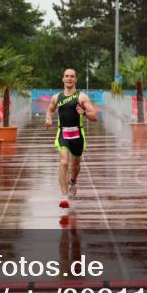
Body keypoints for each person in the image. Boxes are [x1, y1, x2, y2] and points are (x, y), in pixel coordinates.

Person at [45, 68, 97, 211]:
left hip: (78, 135)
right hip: (62, 133)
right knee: (63, 162)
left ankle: (73, 181)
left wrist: (84, 113)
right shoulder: (56, 97)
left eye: (72, 76)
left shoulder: (82, 97)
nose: (69, 78)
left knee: (75, 166)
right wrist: (48, 118)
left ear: (75, 79)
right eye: (66, 76)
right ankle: (64, 197)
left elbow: (95, 116)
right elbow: (50, 109)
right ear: (63, 79)